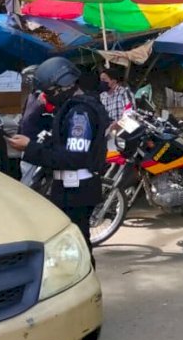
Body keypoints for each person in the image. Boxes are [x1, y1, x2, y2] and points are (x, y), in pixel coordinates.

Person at [7, 57, 110, 255]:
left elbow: (73, 157)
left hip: (77, 191)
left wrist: (30, 149)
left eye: (49, 93)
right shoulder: (77, 107)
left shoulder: (80, 113)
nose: (47, 97)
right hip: (71, 188)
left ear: (60, 88)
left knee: (76, 249)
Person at [18, 65, 54, 187]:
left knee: (33, 179)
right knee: (27, 178)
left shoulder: (46, 97)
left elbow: (51, 117)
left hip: (39, 142)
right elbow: (24, 119)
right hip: (27, 142)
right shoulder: (31, 96)